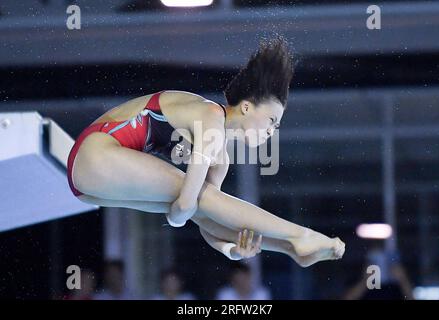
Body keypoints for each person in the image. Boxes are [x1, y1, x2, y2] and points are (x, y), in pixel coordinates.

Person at [67, 35, 345, 267]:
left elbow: (203, 217)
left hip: (90, 185)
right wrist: (178, 216)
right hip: (95, 152)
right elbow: (184, 209)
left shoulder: (219, 156)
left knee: (205, 199)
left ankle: (290, 249)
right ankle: (299, 236)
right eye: (271, 120)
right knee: (199, 196)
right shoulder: (210, 115)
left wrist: (232, 250)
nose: (273, 130)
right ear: (246, 107)